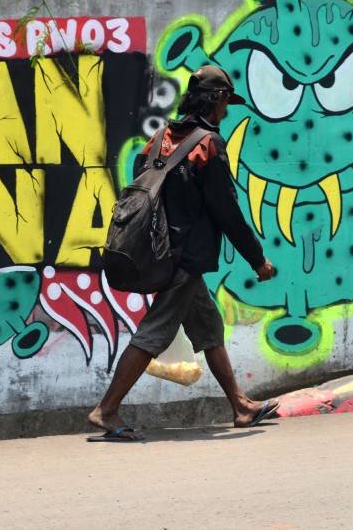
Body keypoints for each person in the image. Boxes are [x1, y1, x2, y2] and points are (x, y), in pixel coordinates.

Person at [88, 65, 278, 442]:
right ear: (216, 99)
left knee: (208, 328)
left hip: (159, 250)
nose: (227, 110)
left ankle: (240, 406)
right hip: (184, 257)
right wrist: (257, 259)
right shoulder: (208, 144)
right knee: (153, 333)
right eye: (226, 102)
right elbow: (226, 209)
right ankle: (106, 409)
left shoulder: (159, 139)